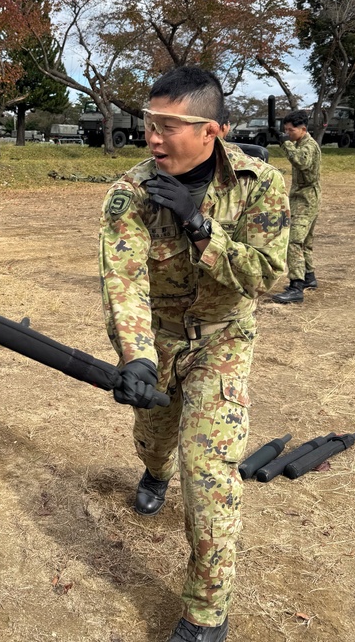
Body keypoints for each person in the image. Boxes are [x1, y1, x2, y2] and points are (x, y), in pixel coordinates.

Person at [99, 66, 289, 642]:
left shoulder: (260, 184)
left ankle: (206, 612)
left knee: (208, 473)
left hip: (222, 337)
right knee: (155, 438)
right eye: (148, 124)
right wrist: (136, 357)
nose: (153, 138)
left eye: (167, 126)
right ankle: (153, 471)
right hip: (156, 337)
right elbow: (123, 281)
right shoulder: (129, 191)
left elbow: (268, 276)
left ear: (214, 130)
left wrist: (200, 224)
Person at [271, 110, 321, 304]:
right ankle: (309, 276)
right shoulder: (301, 143)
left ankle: (296, 286)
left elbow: (300, 161)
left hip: (306, 199)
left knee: (294, 241)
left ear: (303, 129)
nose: (288, 133)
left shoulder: (309, 146)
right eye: (285, 130)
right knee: (306, 241)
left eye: (290, 131)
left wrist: (284, 142)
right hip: (303, 197)